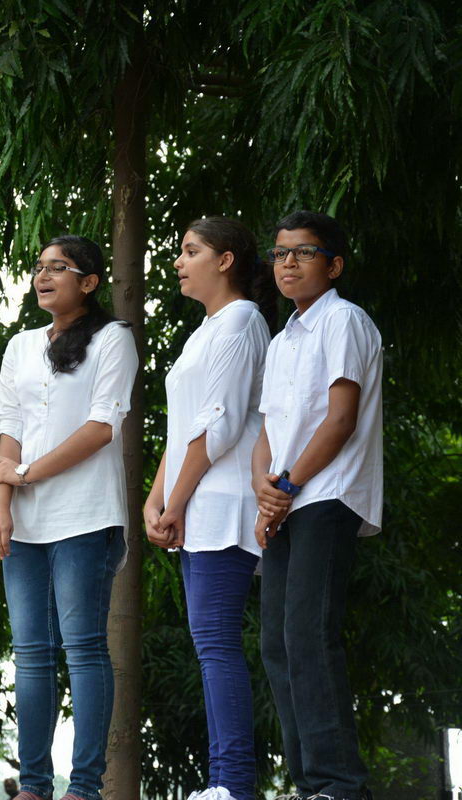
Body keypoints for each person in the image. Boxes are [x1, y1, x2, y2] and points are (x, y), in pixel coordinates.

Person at [0, 235, 137, 800]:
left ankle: (85, 787)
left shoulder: (113, 338)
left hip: (85, 515)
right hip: (23, 521)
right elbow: (9, 429)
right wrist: (1, 503)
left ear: (89, 282)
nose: (43, 276)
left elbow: (101, 428)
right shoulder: (21, 345)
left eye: (59, 267)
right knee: (30, 654)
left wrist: (25, 475)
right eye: (39, 267)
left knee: (83, 647)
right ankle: (33, 785)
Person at [142, 217, 275, 800]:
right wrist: (155, 499)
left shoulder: (242, 321)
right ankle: (223, 781)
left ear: (225, 261)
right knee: (209, 645)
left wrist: (174, 502)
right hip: (194, 505)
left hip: (223, 504)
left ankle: (234, 782)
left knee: (217, 642)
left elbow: (217, 425)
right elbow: (183, 430)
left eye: (190, 251)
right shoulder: (206, 330)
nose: (178, 261)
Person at [253, 211, 382, 800]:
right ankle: (310, 785)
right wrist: (264, 488)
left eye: (303, 252)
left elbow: (340, 419)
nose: (288, 263)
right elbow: (267, 431)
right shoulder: (281, 341)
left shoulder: (344, 320)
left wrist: (284, 486)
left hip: (327, 494)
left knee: (308, 634)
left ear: (333, 265)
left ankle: (340, 785)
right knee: (277, 644)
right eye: (280, 253)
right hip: (286, 500)